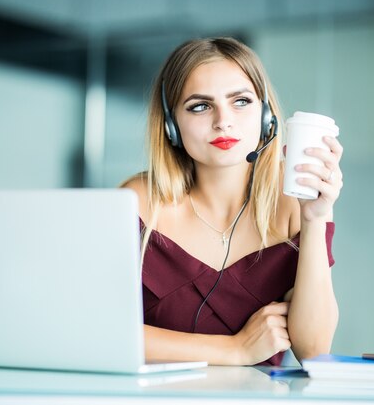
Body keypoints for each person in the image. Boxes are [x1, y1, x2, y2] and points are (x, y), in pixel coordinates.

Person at [122, 37, 343, 366]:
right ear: (171, 126)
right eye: (200, 105)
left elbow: (313, 350)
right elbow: (94, 331)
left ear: (266, 115)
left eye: (240, 101)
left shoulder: (293, 199)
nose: (223, 121)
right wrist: (235, 350)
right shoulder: (138, 202)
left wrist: (314, 220)